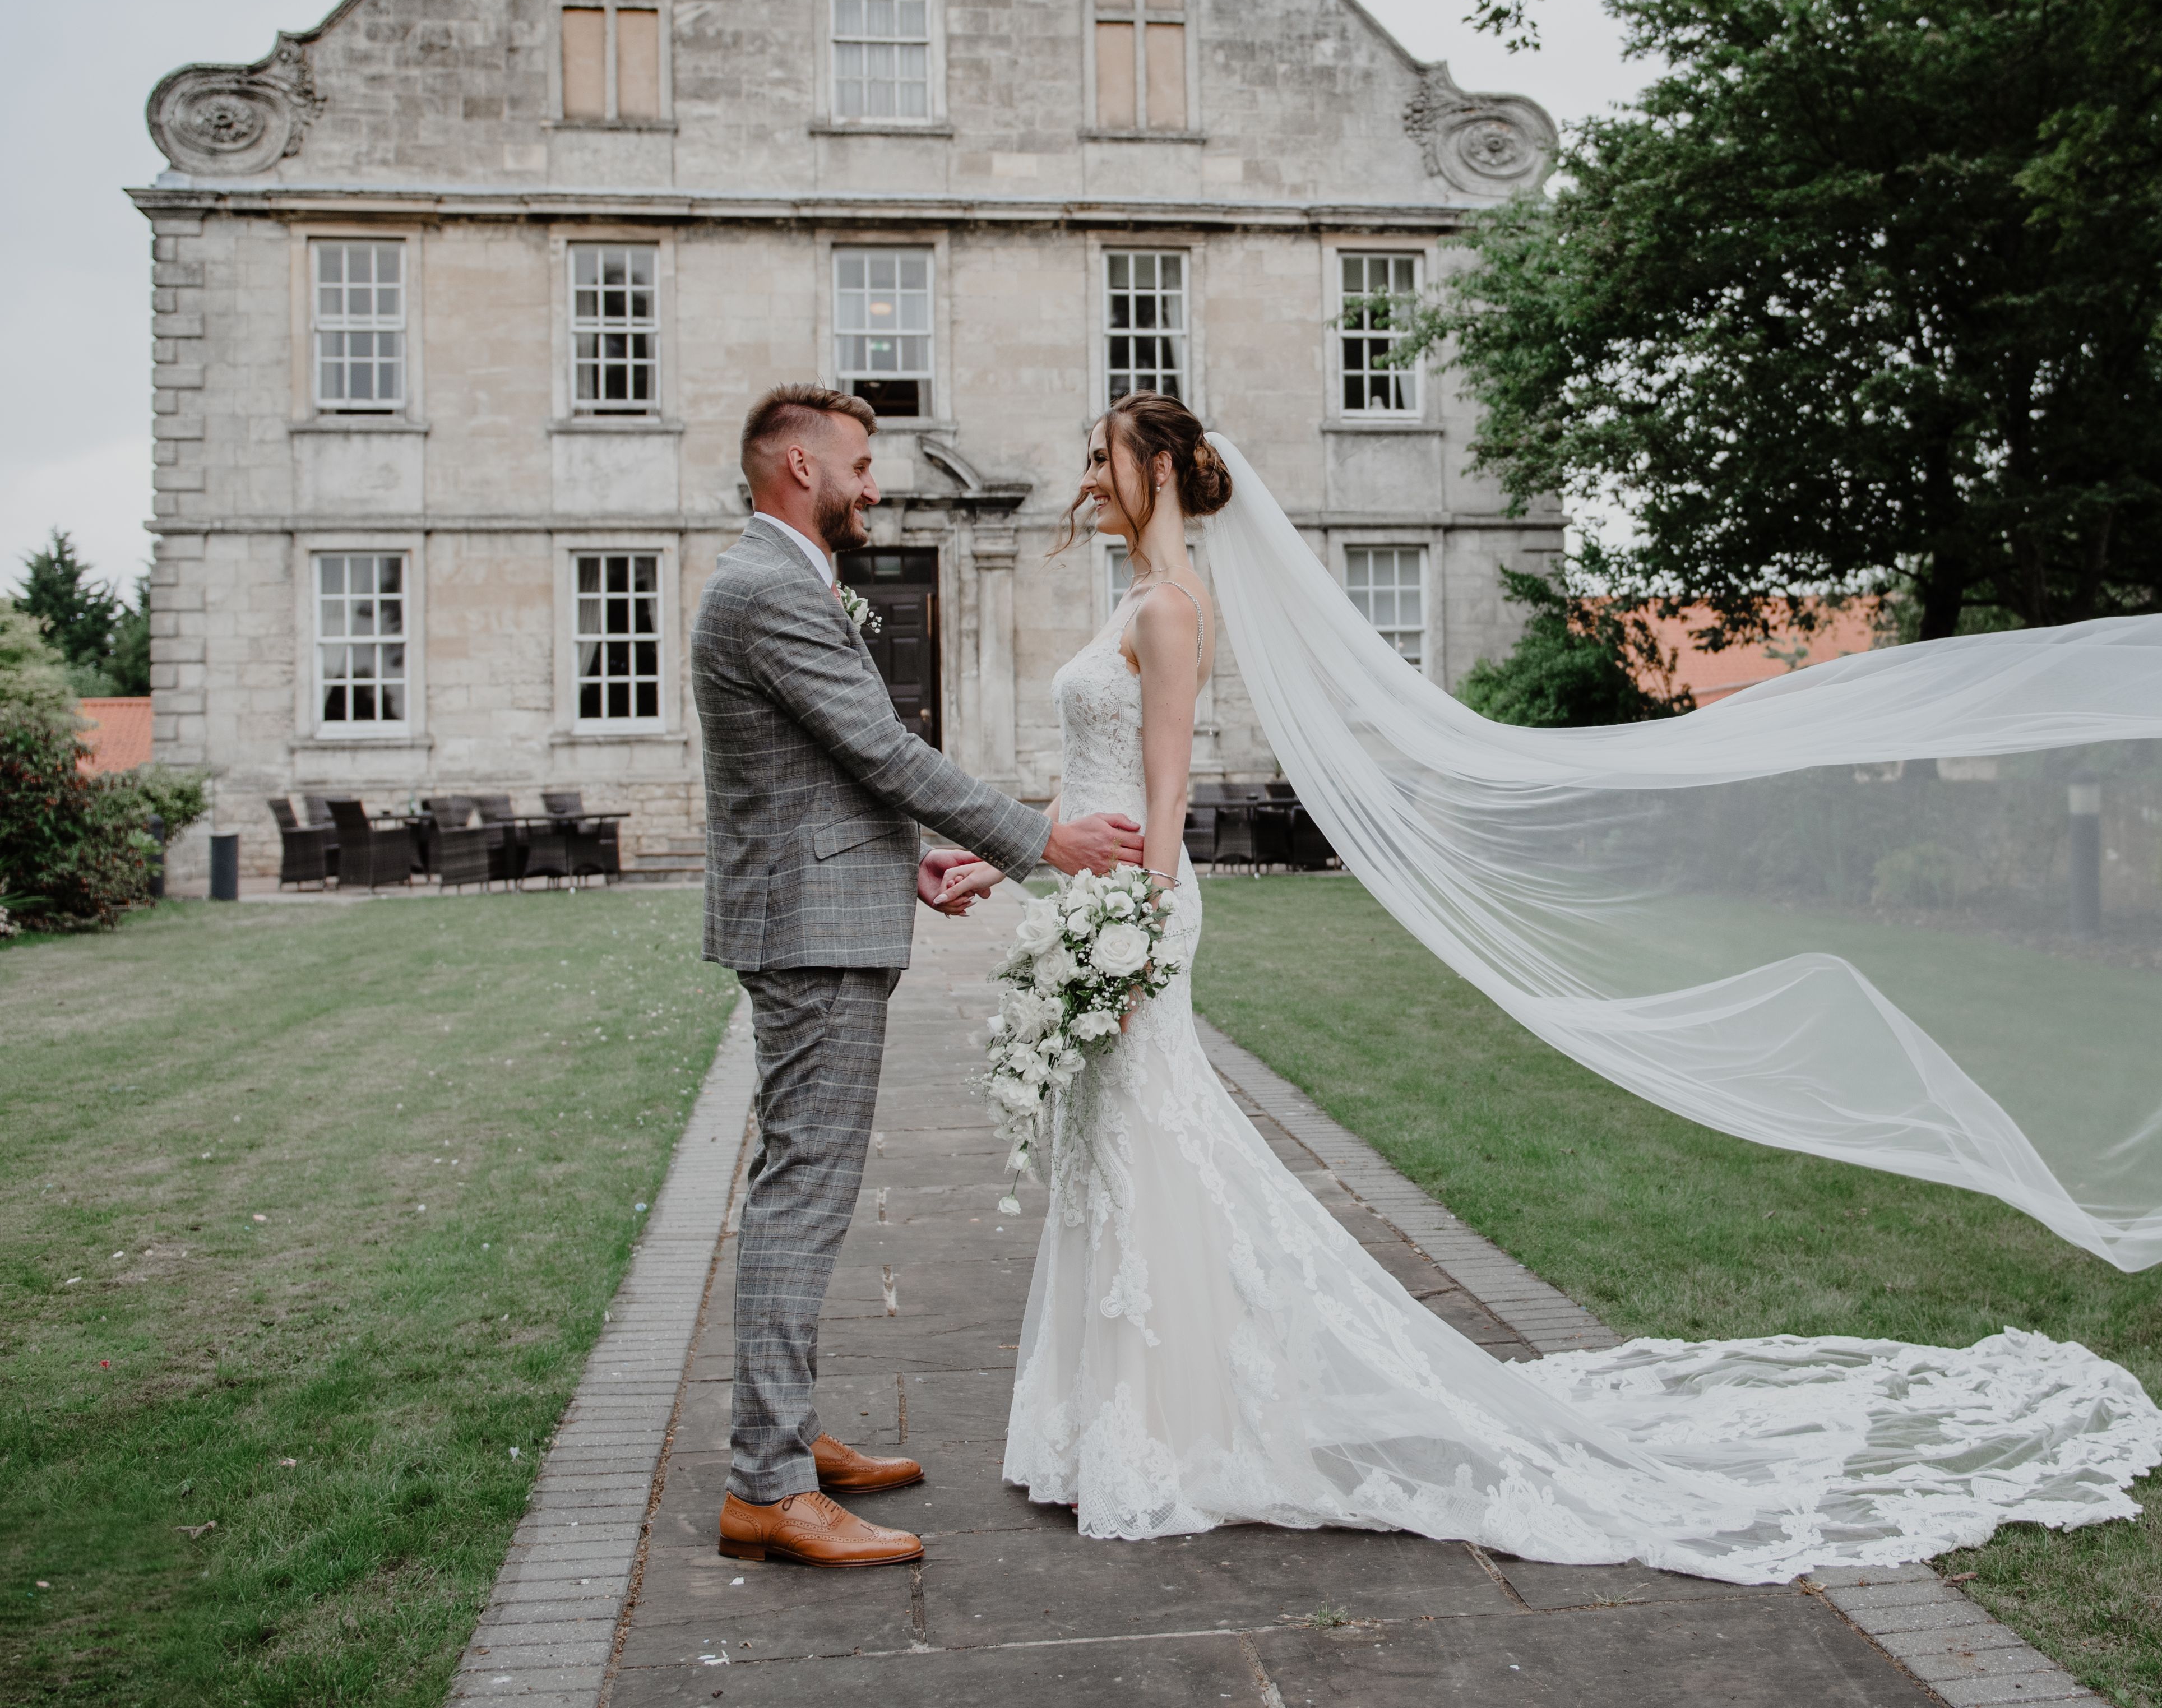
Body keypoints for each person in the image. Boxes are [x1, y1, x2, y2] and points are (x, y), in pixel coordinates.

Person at [932, 391, 2162, 1581]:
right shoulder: (1128, 600)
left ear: (1156, 471)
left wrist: (1139, 930)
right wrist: (996, 859)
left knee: (1148, 1142)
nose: (1087, 480)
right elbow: (1084, 784)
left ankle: (1174, 1428)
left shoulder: (1172, 607)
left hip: (1134, 908)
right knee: (1115, 1143)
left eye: (1104, 459)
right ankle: (1123, 1418)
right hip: (1087, 894)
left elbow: (1160, 799)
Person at [691, 383, 1142, 1570]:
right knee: (803, 1194)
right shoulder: (767, 588)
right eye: (857, 465)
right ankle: (768, 1487)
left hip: (821, 915)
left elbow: (820, 778)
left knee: (806, 1189)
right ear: (797, 468)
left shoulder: (779, 579)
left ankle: (783, 1442)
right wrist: (1038, 843)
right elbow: (880, 747)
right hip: (808, 938)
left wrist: (913, 864)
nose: (874, 485)